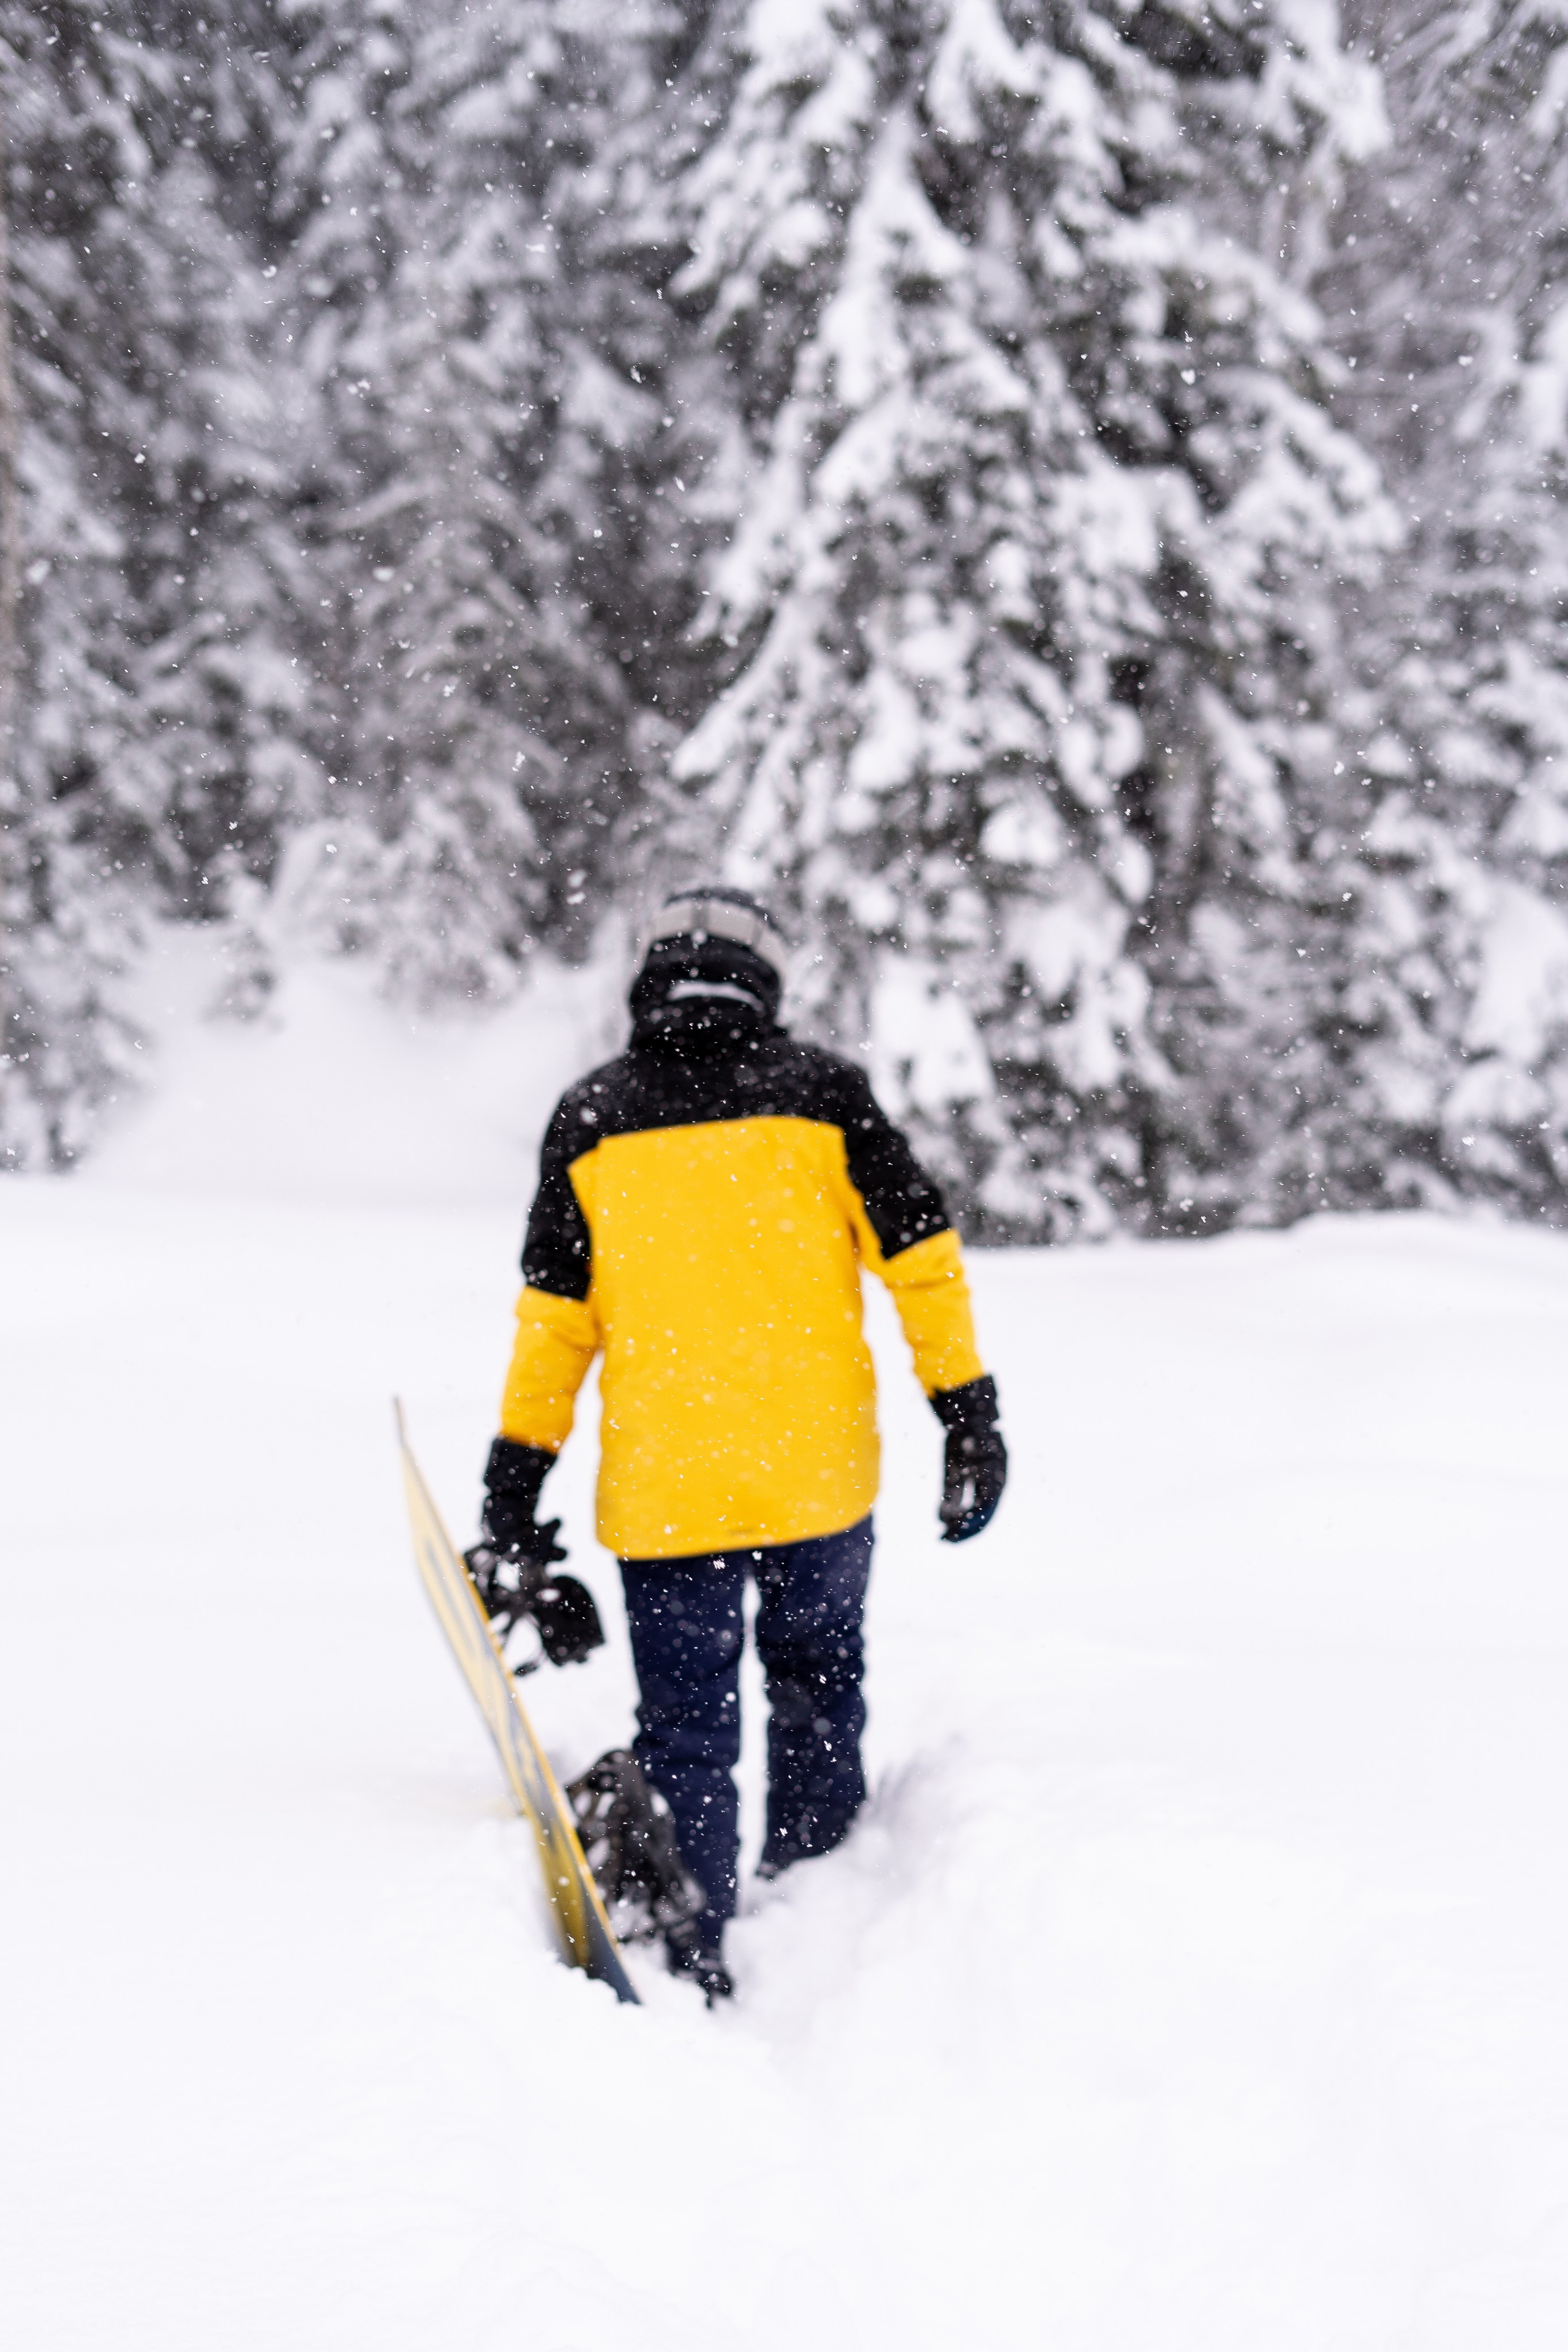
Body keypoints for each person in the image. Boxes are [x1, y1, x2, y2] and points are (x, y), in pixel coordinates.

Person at [475, 887, 1006, 1999]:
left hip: (668, 1494)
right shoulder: (825, 1096)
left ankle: (696, 1944)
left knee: (686, 1728)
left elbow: (555, 1324)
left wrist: (516, 1481)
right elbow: (923, 1262)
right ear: (763, 979)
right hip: (818, 1478)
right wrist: (966, 1412)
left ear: (652, 977)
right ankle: (815, 1927)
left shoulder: (593, 1116)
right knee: (818, 1687)